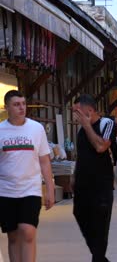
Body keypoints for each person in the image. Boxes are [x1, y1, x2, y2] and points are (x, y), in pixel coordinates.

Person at [0, 90, 55, 262]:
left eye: (23, 104)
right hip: (6, 190)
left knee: (28, 231)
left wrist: (50, 190)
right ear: (7, 107)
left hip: (30, 189)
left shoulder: (36, 129)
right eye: (16, 105)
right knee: (13, 235)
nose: (21, 108)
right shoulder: (1, 130)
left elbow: (45, 161)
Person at [72, 94, 115, 262]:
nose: (75, 116)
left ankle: (97, 258)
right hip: (82, 185)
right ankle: (100, 258)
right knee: (79, 214)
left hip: (101, 186)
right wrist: (74, 175)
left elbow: (100, 146)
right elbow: (80, 155)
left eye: (77, 112)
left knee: (100, 226)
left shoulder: (106, 124)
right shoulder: (81, 131)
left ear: (89, 110)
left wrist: (87, 126)